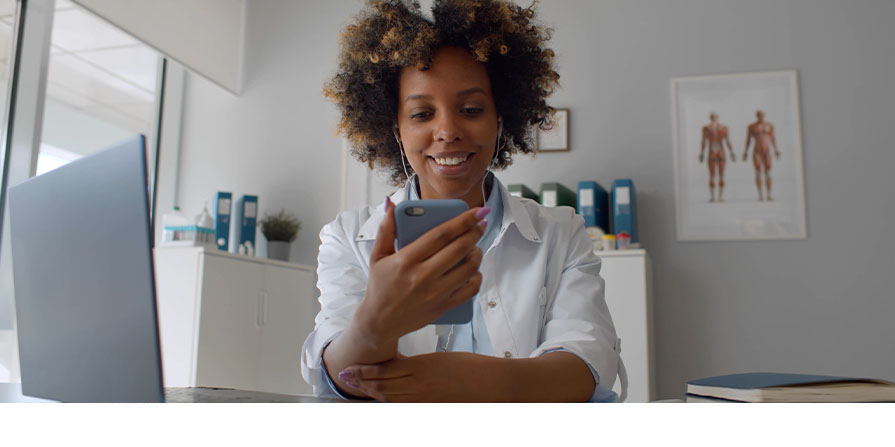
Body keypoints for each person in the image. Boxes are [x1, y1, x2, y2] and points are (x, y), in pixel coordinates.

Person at [301, 0, 626, 402]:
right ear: (397, 130)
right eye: (421, 114)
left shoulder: (562, 233)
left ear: (500, 121)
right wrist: (374, 323)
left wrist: (480, 382)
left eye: (471, 109)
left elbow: (588, 363)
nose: (448, 130)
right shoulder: (347, 238)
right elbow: (337, 376)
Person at [742, 110, 781, 201]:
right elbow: (748, 140)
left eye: (762, 115)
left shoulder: (769, 125)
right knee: (758, 173)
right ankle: (760, 194)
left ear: (764, 115)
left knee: (767, 173)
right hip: (757, 152)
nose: (761, 117)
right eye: (759, 115)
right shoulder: (752, 127)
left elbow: (773, 139)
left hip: (767, 151)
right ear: (756, 116)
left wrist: (776, 151)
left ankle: (769, 195)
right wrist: (745, 152)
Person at [698, 112, 736, 202]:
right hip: (712, 151)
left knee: (721, 175)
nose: (714, 119)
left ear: (717, 118)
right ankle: (712, 197)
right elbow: (703, 141)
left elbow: (727, 141)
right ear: (710, 118)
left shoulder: (723, 128)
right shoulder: (706, 128)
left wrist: (731, 152)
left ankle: (720, 196)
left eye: (715, 117)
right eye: (713, 117)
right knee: (712, 175)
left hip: (720, 151)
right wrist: (702, 153)